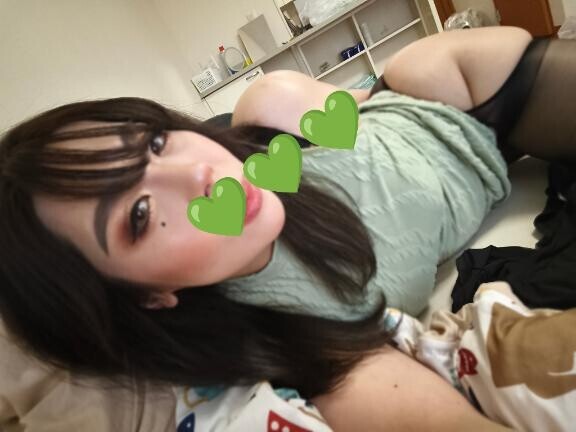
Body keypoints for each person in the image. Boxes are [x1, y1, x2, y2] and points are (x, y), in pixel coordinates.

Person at [0, 25, 573, 430]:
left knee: (271, 97)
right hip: (478, 157)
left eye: (153, 141)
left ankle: (352, 97)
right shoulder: (292, 346)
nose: (199, 171)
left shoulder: (247, 163)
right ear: (146, 296)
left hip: (440, 91)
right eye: (140, 215)